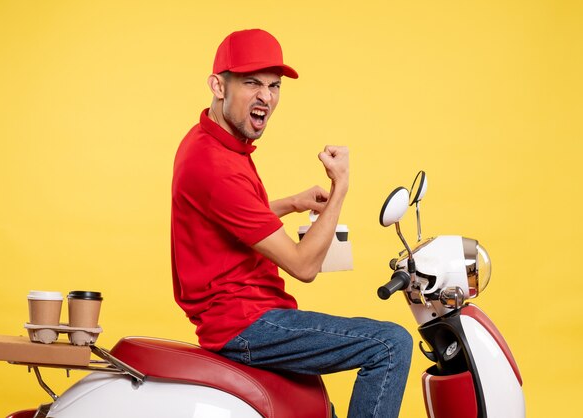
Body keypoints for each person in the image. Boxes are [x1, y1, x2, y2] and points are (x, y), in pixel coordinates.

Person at [171, 28, 412, 417]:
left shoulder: (210, 141)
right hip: (246, 324)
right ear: (218, 85)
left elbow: (228, 214)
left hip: (249, 315)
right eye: (251, 83)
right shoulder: (215, 164)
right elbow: (303, 265)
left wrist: (291, 203)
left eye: (273, 86)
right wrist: (341, 187)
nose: (265, 96)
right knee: (389, 345)